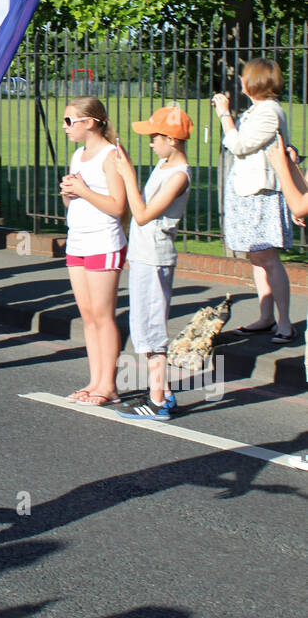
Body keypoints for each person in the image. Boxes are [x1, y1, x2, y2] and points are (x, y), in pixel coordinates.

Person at [113, 107, 193, 420]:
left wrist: (129, 176)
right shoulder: (164, 164)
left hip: (154, 258)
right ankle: (165, 392)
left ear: (172, 139)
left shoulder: (178, 176)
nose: (150, 142)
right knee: (143, 325)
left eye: (154, 136)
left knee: (150, 327)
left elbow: (144, 214)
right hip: (144, 255)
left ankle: (157, 400)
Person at [214, 59, 294, 342]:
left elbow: (239, 145)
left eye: (245, 78)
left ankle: (284, 322)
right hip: (249, 192)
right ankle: (266, 316)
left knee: (269, 259)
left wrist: (224, 115)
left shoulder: (268, 112)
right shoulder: (258, 110)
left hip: (261, 193)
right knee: (257, 257)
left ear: (254, 82)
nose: (241, 82)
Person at [60, 97, 127, 406]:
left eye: (69, 121)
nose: (65, 127)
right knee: (87, 316)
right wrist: (69, 193)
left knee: (103, 315)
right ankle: (94, 380)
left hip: (104, 241)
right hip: (78, 241)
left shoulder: (111, 156)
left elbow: (117, 206)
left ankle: (108, 385)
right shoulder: (78, 155)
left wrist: (84, 191)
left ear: (89, 122)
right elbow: (73, 203)